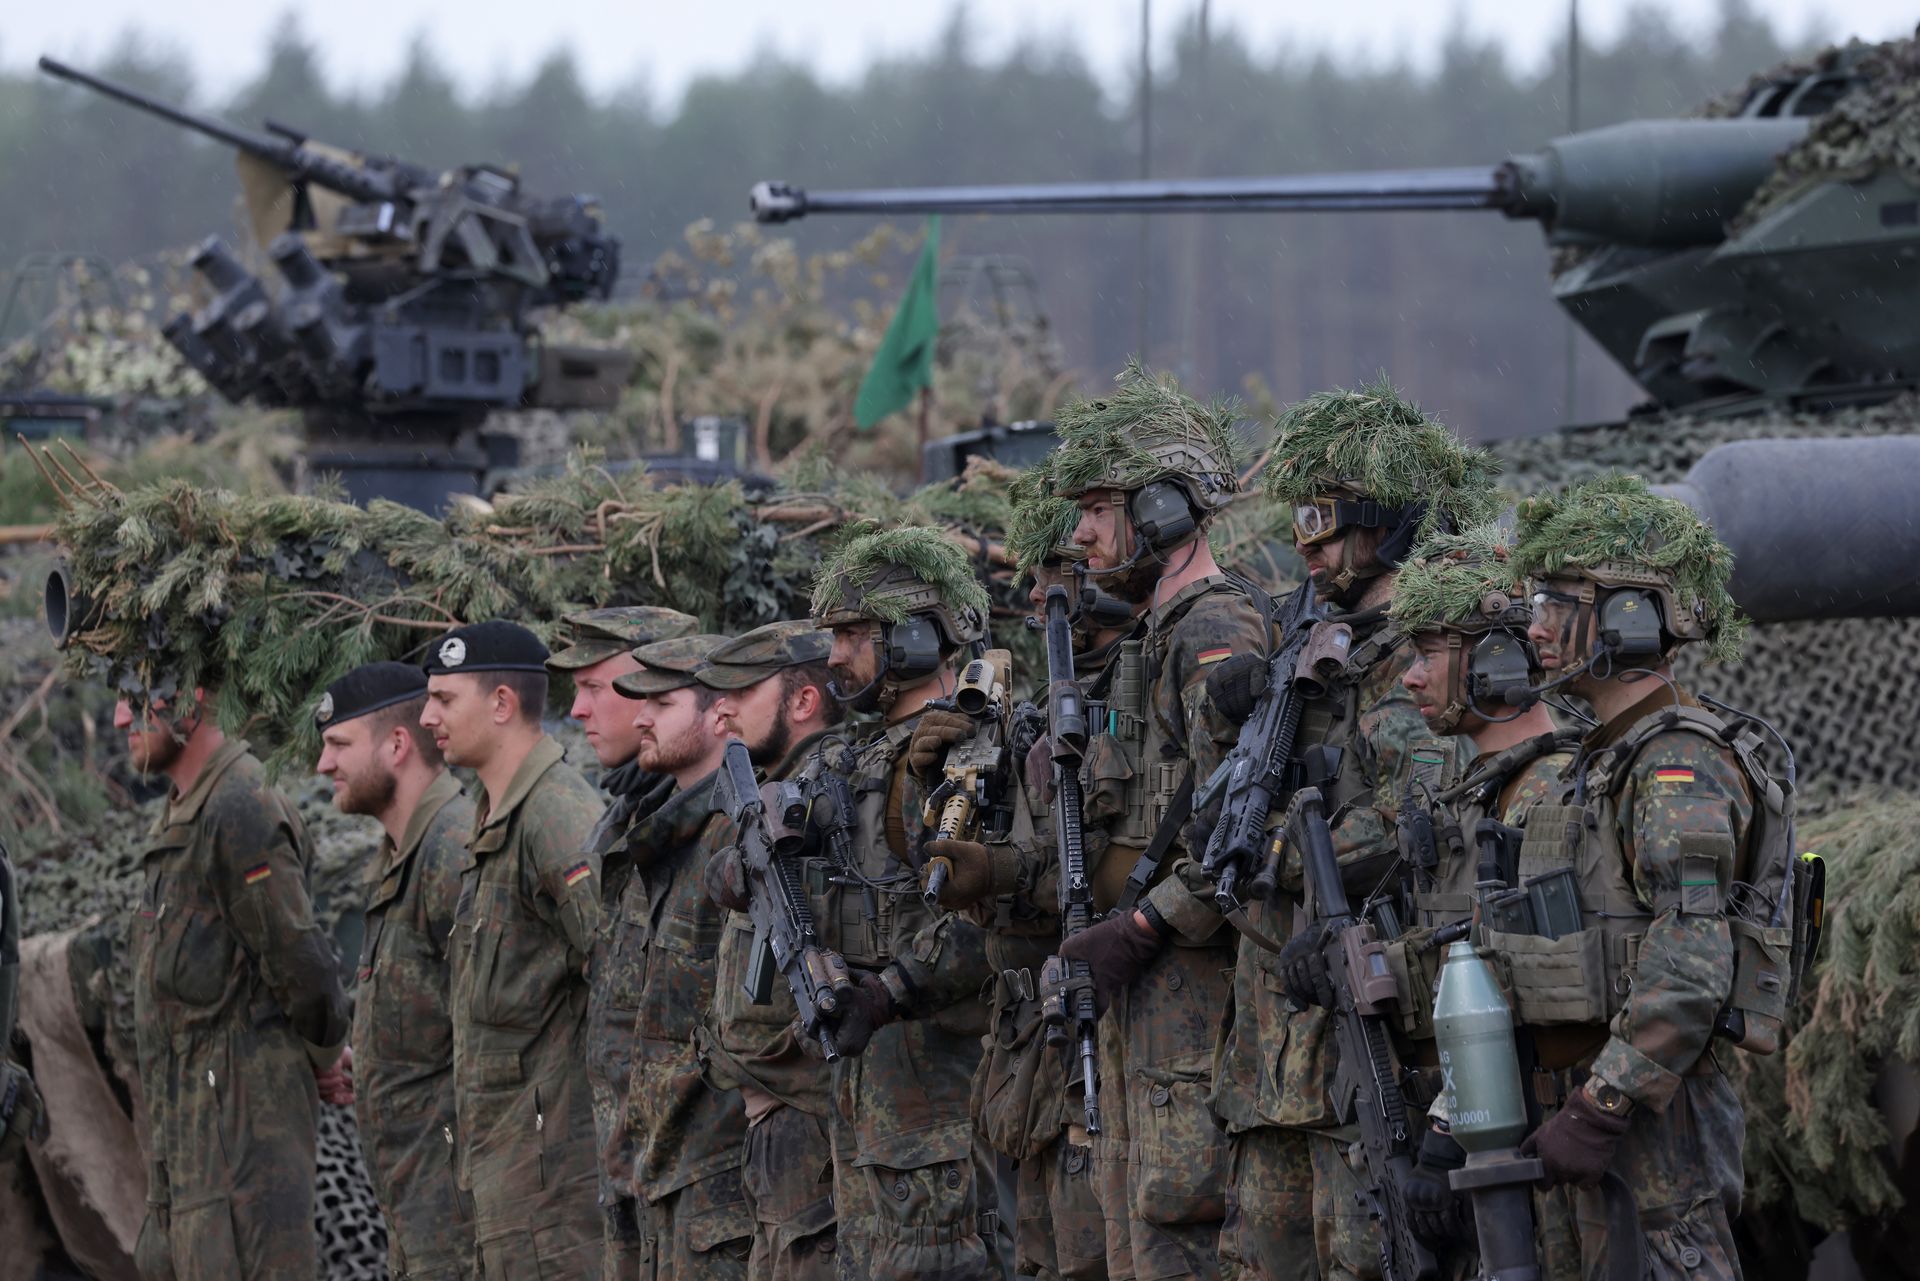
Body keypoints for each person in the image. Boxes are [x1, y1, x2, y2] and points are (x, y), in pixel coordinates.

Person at [1120, 378, 1498, 1281]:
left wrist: (1276, 854)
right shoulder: (1309, 641)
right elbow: (1223, 794)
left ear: (1388, 526)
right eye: (1300, 526)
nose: (1308, 548)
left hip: (1365, 1049)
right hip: (1271, 1058)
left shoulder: (1421, 659)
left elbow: (1422, 824)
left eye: (1327, 526)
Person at [1023, 362, 1266, 1281]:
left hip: (1189, 996)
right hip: (1141, 1001)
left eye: (1100, 506)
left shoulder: (1216, 632)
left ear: (1163, 512)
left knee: (1183, 1239)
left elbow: (1241, 815)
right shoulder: (1151, 636)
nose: (1081, 532)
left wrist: (1149, 921)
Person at [1510, 473, 1771, 1279]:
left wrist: (1604, 1102)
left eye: (1557, 602)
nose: (1536, 627)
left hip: (1654, 1130)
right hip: (1597, 1111)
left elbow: (1690, 959)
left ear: (1624, 618)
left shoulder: (1676, 762)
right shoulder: (1602, 760)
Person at [795, 524, 1007, 1280]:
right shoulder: (856, 754)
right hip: (870, 1093)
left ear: (915, 638)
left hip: (941, 1101)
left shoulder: (968, 749)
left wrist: (889, 991)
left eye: (854, 634)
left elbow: (990, 919)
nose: (835, 656)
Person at [1382, 525, 1581, 1262]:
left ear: (1496, 662)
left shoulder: (1549, 798)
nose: (1409, 677)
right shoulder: (1479, 797)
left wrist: (1446, 1130)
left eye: (1428, 654)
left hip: (1547, 1145)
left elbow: (1520, 991)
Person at [117, 685, 349, 1281]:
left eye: (136, 697)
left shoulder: (239, 805)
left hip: (244, 1163)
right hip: (193, 1163)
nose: (120, 716)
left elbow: (299, 958)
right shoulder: (185, 810)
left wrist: (323, 1052)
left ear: (190, 702)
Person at [965, 480, 1137, 1281]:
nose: (1038, 599)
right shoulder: (1037, 713)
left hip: (1108, 1020)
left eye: (1056, 575)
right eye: (1033, 581)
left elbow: (1115, 865)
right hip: (1033, 1038)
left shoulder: (1132, 697)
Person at [420, 621, 606, 1279]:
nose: (426, 715)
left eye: (444, 699)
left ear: (501, 703)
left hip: (554, 1195)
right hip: (506, 1181)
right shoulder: (494, 818)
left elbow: (617, 982)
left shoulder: (555, 815)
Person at [545, 606, 700, 1278]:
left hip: (692, 1180)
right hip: (627, 1171)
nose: (578, 708)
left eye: (593, 685)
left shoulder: (707, 819)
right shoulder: (621, 821)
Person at [596, 632, 753, 1278]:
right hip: (654, 1174)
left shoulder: (739, 833)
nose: (639, 719)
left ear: (718, 714)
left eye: (659, 703)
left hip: (717, 1180)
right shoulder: (659, 833)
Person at [315, 661, 478, 1280]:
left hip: (456, 1199)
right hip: (416, 1195)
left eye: (338, 745)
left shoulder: (452, 849)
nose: (322, 765)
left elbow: (495, 1030)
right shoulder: (402, 853)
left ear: (398, 745)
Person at [695, 621, 846, 1281]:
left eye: (741, 689)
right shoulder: (766, 795)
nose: (719, 707)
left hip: (815, 1115)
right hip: (772, 1120)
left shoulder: (832, 790)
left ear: (804, 700)